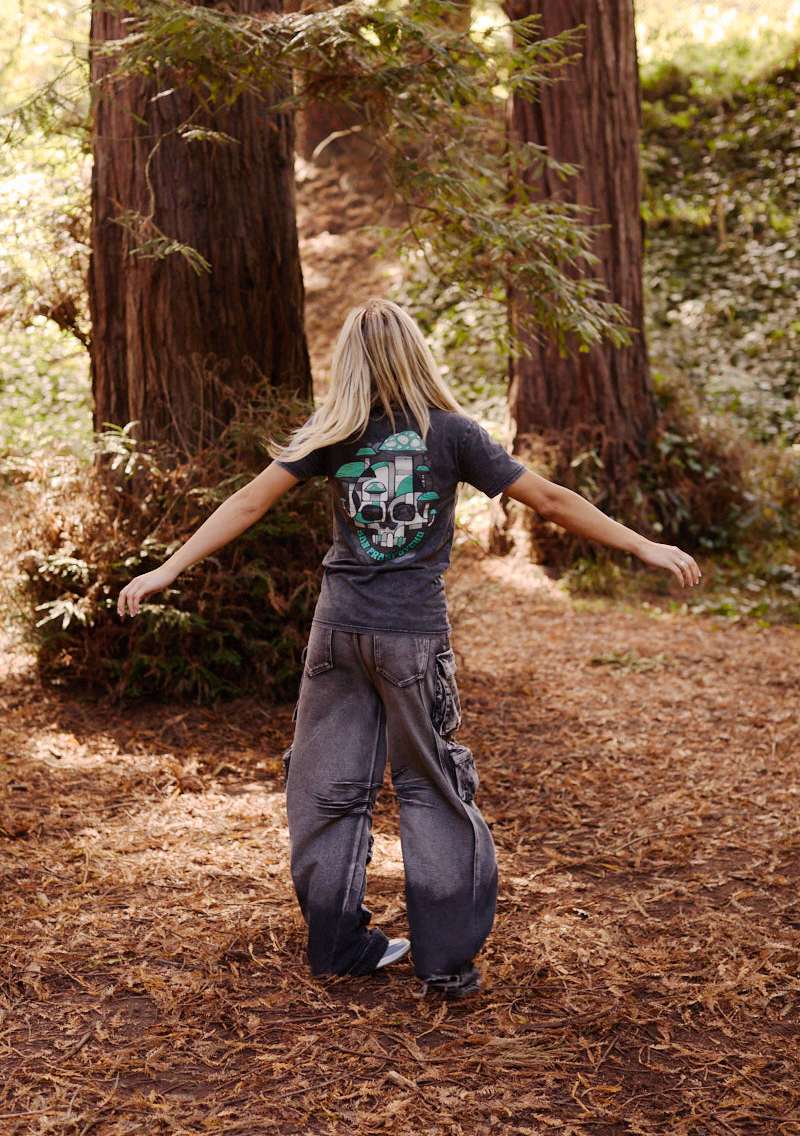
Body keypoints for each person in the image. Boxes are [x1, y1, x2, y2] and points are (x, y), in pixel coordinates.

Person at [117, 298, 701, 998]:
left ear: (351, 362)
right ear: (416, 353)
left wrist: (168, 568)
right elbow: (549, 500)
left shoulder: (334, 434)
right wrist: (640, 543)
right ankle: (444, 965)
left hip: (337, 633)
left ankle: (338, 947)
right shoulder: (452, 434)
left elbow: (248, 502)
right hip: (411, 638)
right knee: (429, 789)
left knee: (326, 789)